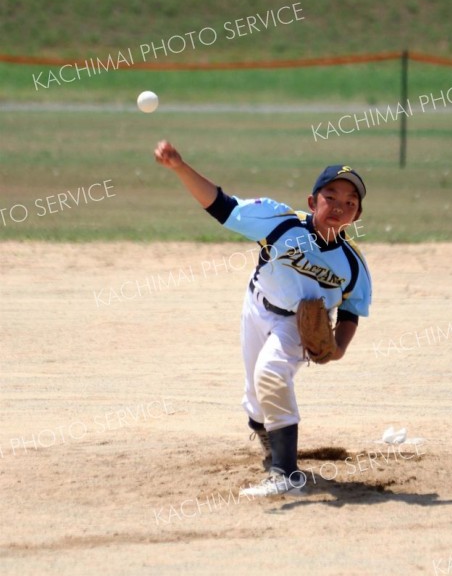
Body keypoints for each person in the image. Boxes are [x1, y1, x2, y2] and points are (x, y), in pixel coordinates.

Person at [155, 140, 372, 496]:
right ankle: (270, 438)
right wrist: (180, 167)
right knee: (255, 398)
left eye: (350, 202)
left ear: (356, 216)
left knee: (271, 373)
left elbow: (351, 309)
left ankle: (285, 474)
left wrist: (339, 348)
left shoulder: (352, 263)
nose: (339, 206)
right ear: (311, 201)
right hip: (256, 306)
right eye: (330, 196)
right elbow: (221, 206)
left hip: (300, 325)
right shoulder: (281, 223)